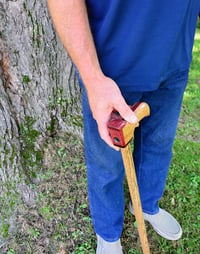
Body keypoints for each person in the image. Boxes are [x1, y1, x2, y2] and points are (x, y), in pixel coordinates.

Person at [47, 1, 200, 253]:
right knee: (106, 161)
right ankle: (108, 232)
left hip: (174, 60)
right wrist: (94, 80)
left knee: (159, 145)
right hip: (114, 67)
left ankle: (146, 204)